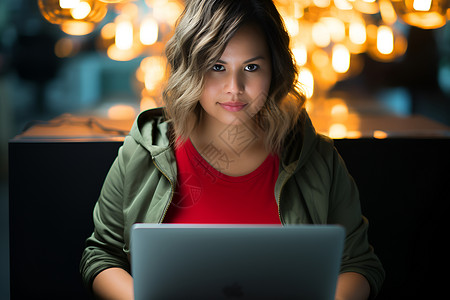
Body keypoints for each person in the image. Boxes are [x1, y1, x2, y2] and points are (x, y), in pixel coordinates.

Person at [80, 0, 385, 299]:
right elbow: (102, 255)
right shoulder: (144, 150)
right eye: (217, 66)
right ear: (190, 68)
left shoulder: (317, 156)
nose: (235, 88)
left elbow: (358, 264)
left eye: (251, 67)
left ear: (275, 70)